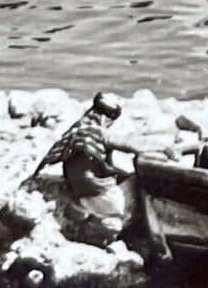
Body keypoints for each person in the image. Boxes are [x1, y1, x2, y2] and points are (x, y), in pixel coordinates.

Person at [29, 92, 135, 244]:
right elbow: (131, 146)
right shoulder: (101, 133)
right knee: (135, 183)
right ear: (110, 118)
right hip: (96, 197)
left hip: (76, 194)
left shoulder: (78, 128)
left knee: (121, 176)